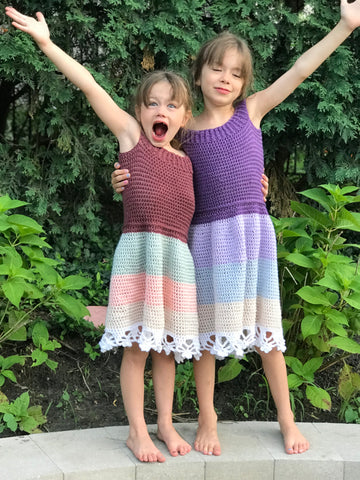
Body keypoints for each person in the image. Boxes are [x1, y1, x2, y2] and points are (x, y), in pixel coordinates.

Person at [112, 0, 360, 457]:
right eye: (217, 69)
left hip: (252, 237)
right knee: (206, 336)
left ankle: (287, 418)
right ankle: (208, 417)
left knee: (268, 334)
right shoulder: (182, 131)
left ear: (245, 83)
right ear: (200, 73)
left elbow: (301, 70)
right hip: (205, 240)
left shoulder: (253, 112)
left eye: (236, 73)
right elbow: (152, 161)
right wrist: (121, 177)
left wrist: (344, 26)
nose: (226, 79)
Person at [5, 6, 201, 463]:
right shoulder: (131, 136)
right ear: (138, 110)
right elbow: (90, 85)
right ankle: (137, 432)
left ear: (185, 117)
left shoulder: (187, 162)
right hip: (139, 254)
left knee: (167, 351)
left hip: (176, 261)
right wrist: (46, 43)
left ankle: (166, 425)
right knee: (136, 347)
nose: (161, 111)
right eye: (152, 102)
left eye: (172, 105)